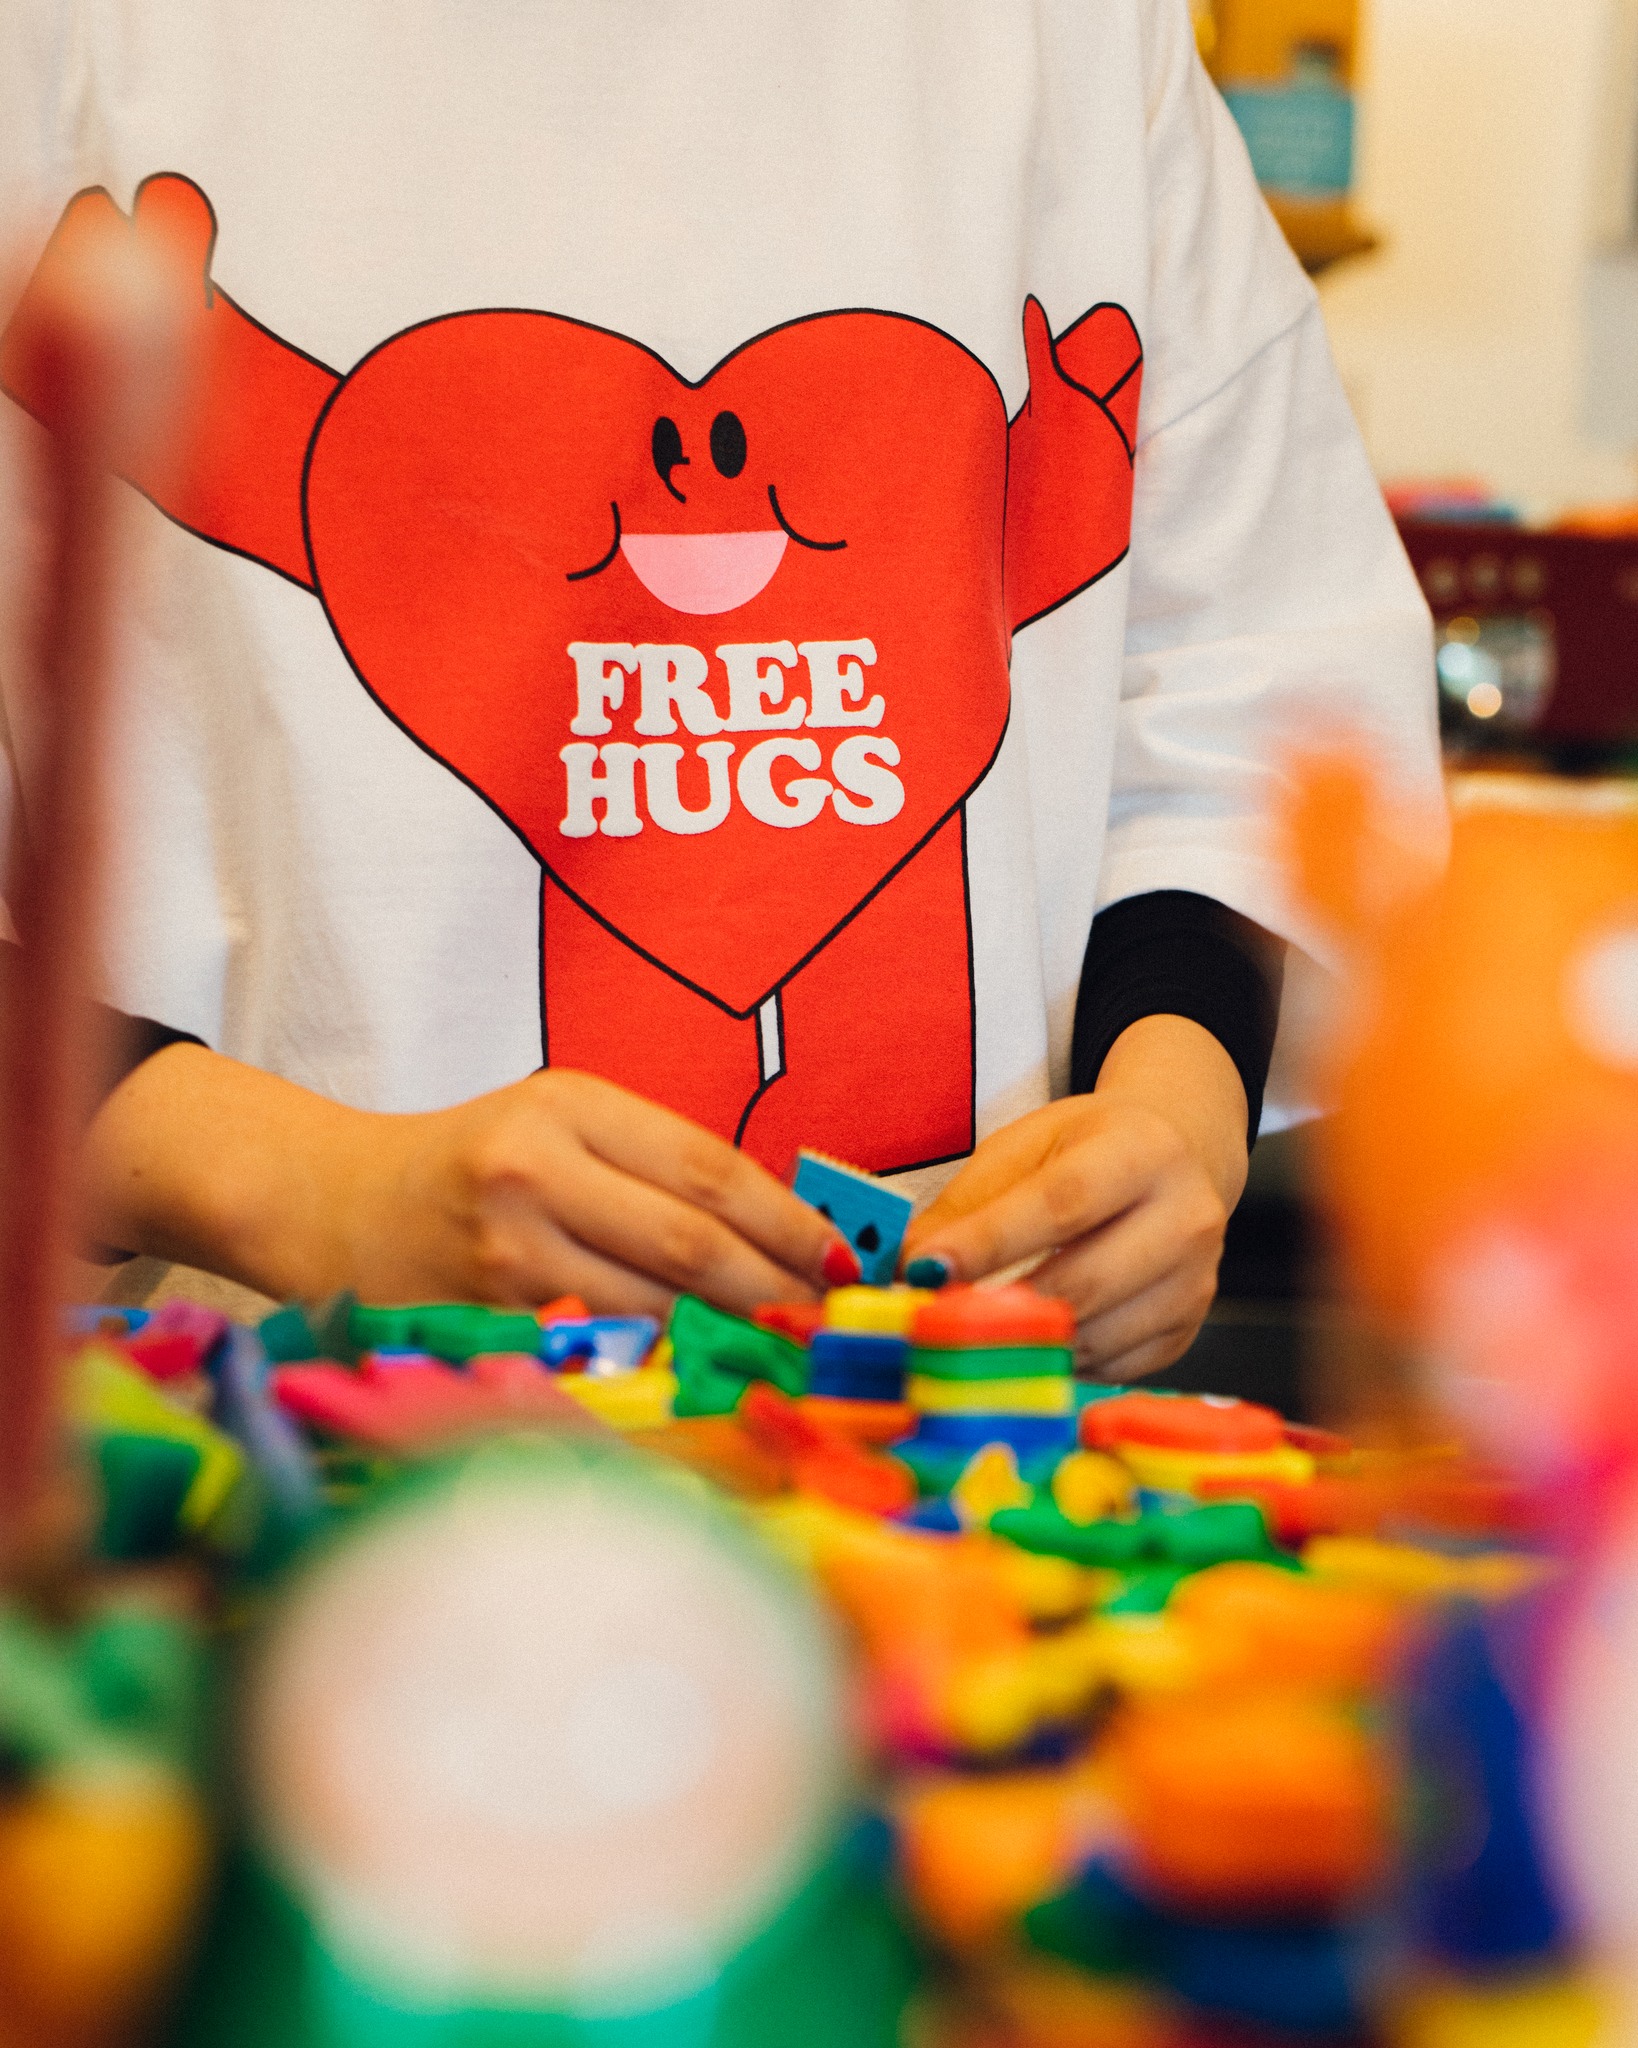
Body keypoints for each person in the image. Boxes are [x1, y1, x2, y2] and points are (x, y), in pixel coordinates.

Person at [0, 0, 1443, 1375]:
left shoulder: (1068, 41)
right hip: (245, 1449)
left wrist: (1170, 1111)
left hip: (954, 1465)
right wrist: (307, 1187)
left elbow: (1249, 691)